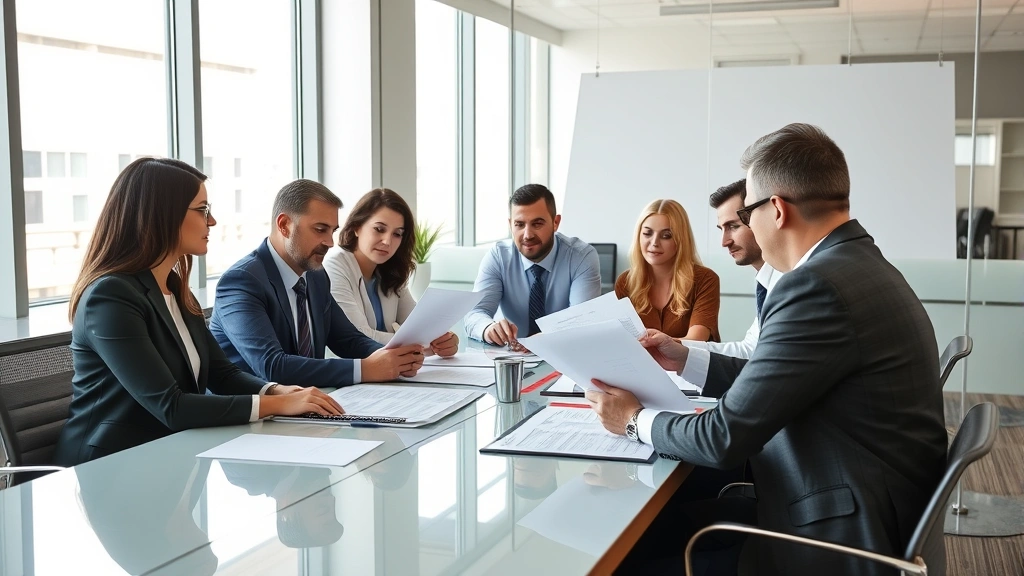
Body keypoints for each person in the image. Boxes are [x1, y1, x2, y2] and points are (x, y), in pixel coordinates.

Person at [588, 124, 947, 575]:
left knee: (627, 553)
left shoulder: (816, 286)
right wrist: (684, 357)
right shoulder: (859, 264)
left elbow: (722, 439)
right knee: (653, 525)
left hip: (834, 533)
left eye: (748, 213)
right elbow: (779, 378)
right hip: (863, 496)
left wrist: (633, 420)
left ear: (775, 209)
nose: (744, 229)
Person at [53, 159, 343, 467]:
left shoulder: (174, 288)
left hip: (170, 457)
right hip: (109, 467)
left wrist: (277, 389)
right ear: (163, 214)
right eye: (203, 210)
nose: (213, 221)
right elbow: (172, 406)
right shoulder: (110, 296)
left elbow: (222, 374)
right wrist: (278, 404)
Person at [210, 179, 425, 387]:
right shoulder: (242, 281)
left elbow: (348, 340)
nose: (330, 242)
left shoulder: (315, 276)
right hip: (251, 414)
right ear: (284, 225)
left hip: (306, 406)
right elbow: (273, 366)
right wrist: (366, 369)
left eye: (333, 231)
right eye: (320, 229)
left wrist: (397, 358)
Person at [323, 188, 458, 355]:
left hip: (395, 371)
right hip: (353, 372)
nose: (387, 241)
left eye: (397, 234)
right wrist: (422, 343)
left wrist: (444, 341)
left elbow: (420, 328)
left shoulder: (390, 270)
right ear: (356, 227)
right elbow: (358, 336)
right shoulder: (335, 265)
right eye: (379, 229)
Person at [464, 184, 602, 347]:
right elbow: (474, 313)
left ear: (555, 222)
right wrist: (488, 328)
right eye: (519, 224)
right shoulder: (498, 256)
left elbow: (582, 320)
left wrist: (540, 341)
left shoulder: (581, 257)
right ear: (510, 224)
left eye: (537, 224)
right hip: (512, 357)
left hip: (565, 354)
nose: (527, 235)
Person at [685, 179, 781, 358]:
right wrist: (677, 347)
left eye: (733, 226)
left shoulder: (790, 280)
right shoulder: (766, 278)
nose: (724, 242)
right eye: (721, 229)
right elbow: (750, 350)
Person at [615, 199, 721, 341]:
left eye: (666, 236)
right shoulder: (625, 282)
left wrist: (653, 342)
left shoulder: (705, 279)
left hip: (688, 363)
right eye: (647, 233)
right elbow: (621, 340)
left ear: (681, 239)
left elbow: (696, 341)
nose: (654, 243)